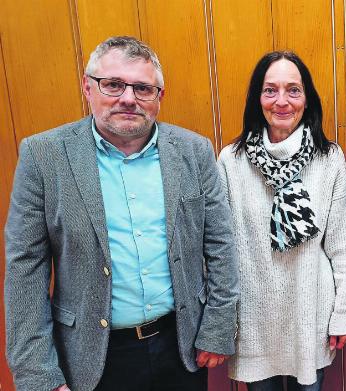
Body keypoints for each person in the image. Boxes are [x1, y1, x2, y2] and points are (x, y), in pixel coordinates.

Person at [4, 36, 239, 391]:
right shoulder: (43, 157)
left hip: (180, 346)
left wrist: (219, 328)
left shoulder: (194, 151)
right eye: (113, 84)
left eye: (143, 88)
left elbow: (221, 243)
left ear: (159, 96)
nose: (128, 98)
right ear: (88, 87)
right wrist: (38, 376)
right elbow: (25, 270)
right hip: (90, 359)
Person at [218, 51, 346, 391]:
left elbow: (341, 246)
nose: (282, 101)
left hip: (310, 314)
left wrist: (342, 315)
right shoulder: (231, 162)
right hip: (253, 321)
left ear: (307, 100)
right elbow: (222, 250)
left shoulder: (329, 158)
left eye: (293, 90)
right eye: (271, 90)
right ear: (257, 98)